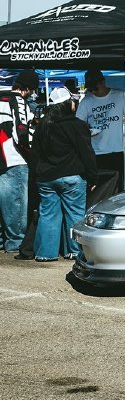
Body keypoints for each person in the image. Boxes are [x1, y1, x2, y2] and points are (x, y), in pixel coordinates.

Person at [28, 86, 97, 262]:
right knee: (75, 214)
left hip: (46, 178)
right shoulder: (77, 125)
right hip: (72, 177)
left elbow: (35, 154)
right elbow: (87, 153)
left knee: (48, 215)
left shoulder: (43, 126)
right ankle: (74, 251)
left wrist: (36, 176)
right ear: (68, 104)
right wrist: (92, 176)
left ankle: (45, 254)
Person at [75, 67, 125, 203]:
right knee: (99, 190)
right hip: (96, 152)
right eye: (90, 88)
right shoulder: (86, 101)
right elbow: (78, 125)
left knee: (118, 189)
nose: (93, 91)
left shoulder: (120, 96)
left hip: (117, 151)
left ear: (102, 82)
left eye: (95, 88)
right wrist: (87, 130)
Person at [0, 69, 38, 256]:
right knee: (16, 204)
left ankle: (3, 240)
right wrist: (32, 153)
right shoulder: (18, 100)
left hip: (3, 157)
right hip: (14, 158)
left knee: (4, 203)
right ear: (27, 89)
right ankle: (15, 243)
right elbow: (21, 132)